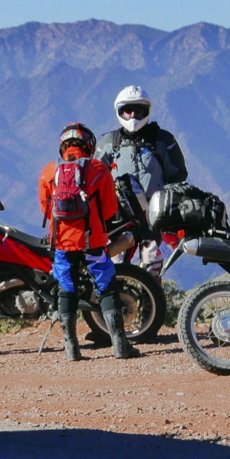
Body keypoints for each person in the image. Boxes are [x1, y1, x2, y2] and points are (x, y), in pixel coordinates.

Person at [39, 122, 142, 361]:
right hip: (92, 243)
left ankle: (71, 349)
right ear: (89, 144)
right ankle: (120, 345)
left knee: (67, 288)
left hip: (62, 244)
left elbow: (45, 209)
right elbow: (110, 210)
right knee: (106, 286)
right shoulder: (97, 168)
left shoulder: (49, 171)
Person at [96, 85, 188, 276]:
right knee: (116, 265)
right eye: (127, 111)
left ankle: (151, 295)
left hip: (153, 217)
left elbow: (178, 175)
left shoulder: (162, 140)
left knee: (152, 263)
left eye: (138, 110)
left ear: (146, 111)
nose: (132, 116)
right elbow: (95, 178)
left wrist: (170, 211)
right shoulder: (109, 142)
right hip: (119, 219)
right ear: (119, 112)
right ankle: (120, 295)